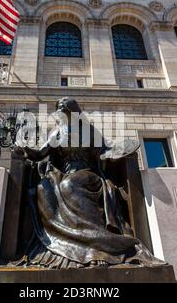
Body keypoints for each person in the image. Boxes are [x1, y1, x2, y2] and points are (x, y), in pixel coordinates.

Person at [13, 97, 165, 269]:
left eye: (64, 112)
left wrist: (119, 151)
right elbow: (40, 153)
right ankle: (60, 244)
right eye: (59, 113)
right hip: (63, 174)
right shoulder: (57, 133)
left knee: (69, 186)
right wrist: (24, 149)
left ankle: (97, 245)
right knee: (42, 188)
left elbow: (104, 150)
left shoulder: (88, 131)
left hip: (87, 173)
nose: (61, 116)